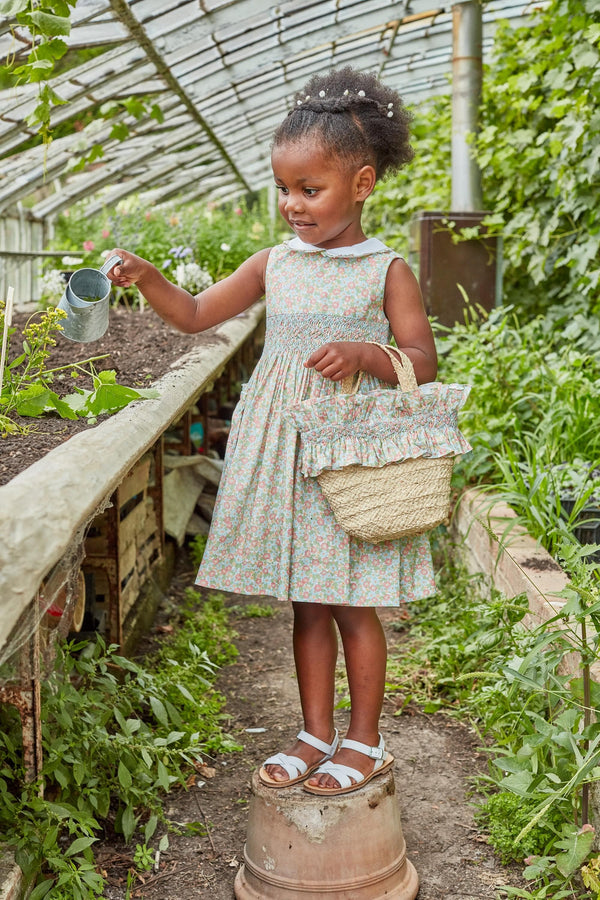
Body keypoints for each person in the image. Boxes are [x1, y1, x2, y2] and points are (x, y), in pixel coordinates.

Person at [107, 66, 438, 797]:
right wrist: (152, 276)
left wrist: (365, 354)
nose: (292, 204)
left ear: (362, 183)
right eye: (283, 188)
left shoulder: (387, 271)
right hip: (285, 451)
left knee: (355, 600)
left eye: (309, 189)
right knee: (308, 598)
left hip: (348, 454)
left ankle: (365, 740)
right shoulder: (272, 264)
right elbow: (196, 314)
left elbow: (422, 359)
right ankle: (314, 731)